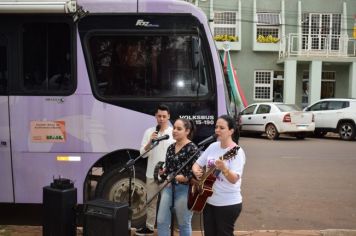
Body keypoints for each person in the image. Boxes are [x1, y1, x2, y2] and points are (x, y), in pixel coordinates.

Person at [192, 115, 246, 236]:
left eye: (222, 127)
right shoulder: (212, 147)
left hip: (227, 203)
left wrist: (224, 169)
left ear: (231, 131)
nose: (217, 130)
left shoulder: (236, 152)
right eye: (216, 127)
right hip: (209, 200)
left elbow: (234, 180)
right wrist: (196, 171)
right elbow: (196, 164)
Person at [136, 104, 175, 236]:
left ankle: (166, 228)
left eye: (164, 116)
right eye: (159, 116)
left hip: (166, 174)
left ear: (168, 116)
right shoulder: (149, 132)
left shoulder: (173, 133)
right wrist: (150, 143)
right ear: (155, 116)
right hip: (151, 173)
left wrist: (171, 173)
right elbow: (142, 154)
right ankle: (149, 227)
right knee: (151, 201)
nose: (161, 119)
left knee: (167, 203)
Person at [157, 118, 199, 236]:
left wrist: (185, 178)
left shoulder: (193, 149)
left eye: (179, 129)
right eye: (174, 128)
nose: (174, 131)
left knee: (183, 223)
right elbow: (169, 170)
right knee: (161, 220)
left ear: (187, 131)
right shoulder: (170, 147)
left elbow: (195, 172)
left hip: (185, 190)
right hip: (169, 187)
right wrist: (163, 172)